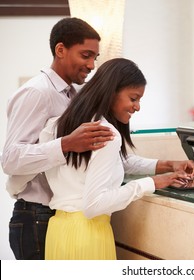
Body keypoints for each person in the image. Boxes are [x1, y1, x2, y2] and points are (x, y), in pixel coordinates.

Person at [39, 58, 194, 260]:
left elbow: (112, 162)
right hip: (89, 236)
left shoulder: (57, 125)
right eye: (134, 98)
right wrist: (153, 183)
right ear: (111, 92)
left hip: (58, 234)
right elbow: (94, 205)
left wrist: (166, 165)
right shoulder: (107, 135)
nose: (138, 107)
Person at [1, 17, 116, 260]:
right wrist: (66, 144)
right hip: (35, 216)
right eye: (86, 55)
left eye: (95, 57)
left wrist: (159, 166)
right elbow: (10, 159)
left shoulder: (72, 95)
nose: (92, 65)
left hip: (58, 216)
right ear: (60, 50)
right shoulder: (37, 92)